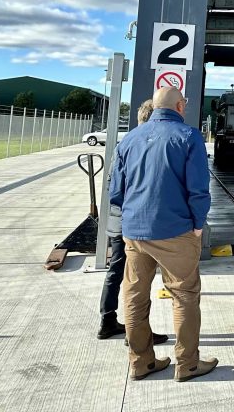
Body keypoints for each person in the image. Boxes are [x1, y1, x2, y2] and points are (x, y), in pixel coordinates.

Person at [109, 86, 217, 382]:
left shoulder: (129, 138)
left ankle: (141, 362)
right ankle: (187, 364)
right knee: (184, 295)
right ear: (180, 106)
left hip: (134, 233)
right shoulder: (189, 136)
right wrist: (198, 224)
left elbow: (116, 192)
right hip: (175, 231)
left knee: (134, 297)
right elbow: (198, 189)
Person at [97, 99, 167, 345]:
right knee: (137, 280)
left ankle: (108, 321)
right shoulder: (143, 145)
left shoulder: (123, 145)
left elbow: (112, 186)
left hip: (119, 220)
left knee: (117, 272)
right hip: (132, 223)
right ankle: (136, 332)